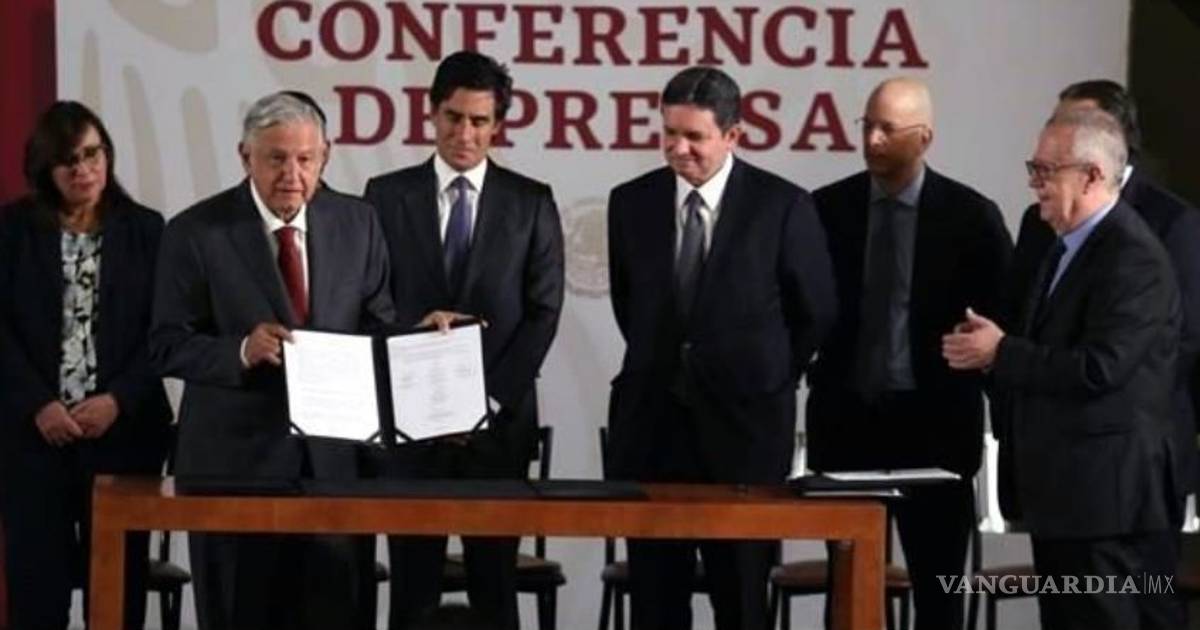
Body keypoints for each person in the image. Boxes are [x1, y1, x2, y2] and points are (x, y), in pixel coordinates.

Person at [150, 92, 394, 630]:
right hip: (232, 470)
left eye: (305, 159)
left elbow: (379, 327)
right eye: (276, 158)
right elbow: (165, 343)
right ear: (246, 157)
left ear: (325, 156)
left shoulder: (359, 223)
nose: (292, 174)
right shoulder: (196, 231)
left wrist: (423, 340)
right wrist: (240, 350)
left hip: (333, 468)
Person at [605, 65, 837, 630]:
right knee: (656, 605)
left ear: (733, 135)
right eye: (669, 133)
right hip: (653, 432)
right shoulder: (631, 202)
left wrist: (765, 375)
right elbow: (630, 305)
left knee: (741, 603)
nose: (678, 148)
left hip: (744, 436)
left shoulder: (781, 206)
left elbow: (815, 312)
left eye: (695, 136)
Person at [943, 109, 1181, 630]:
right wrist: (994, 348)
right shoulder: (1066, 246)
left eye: (1046, 170)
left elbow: (1101, 368)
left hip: (1104, 497)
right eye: (1034, 168)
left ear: (1092, 175)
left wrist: (1002, 352)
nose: (1034, 183)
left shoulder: (1131, 256)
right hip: (1065, 493)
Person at [363, 50, 564, 630]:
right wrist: (411, 342)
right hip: (409, 424)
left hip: (498, 425)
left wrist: (485, 401)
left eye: (479, 121)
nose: (465, 134)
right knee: (411, 592)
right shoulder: (385, 194)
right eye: (453, 117)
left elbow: (543, 312)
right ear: (431, 112)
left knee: (495, 590)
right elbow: (370, 299)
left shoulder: (530, 201)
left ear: (498, 124)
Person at [805, 78, 1012, 630]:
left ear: (924, 138)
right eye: (866, 126)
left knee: (939, 596)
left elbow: (1005, 322)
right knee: (848, 595)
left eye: (888, 129)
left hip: (936, 433)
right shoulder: (825, 210)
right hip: (846, 427)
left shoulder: (971, 217)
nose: (872, 140)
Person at [0, 101, 171, 629]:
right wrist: (38, 404)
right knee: (37, 592)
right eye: (68, 160)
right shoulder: (12, 230)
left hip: (124, 434)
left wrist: (117, 400)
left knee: (118, 594)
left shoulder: (147, 230)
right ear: (45, 169)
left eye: (93, 154)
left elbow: (166, 332)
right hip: (33, 439)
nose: (83, 170)